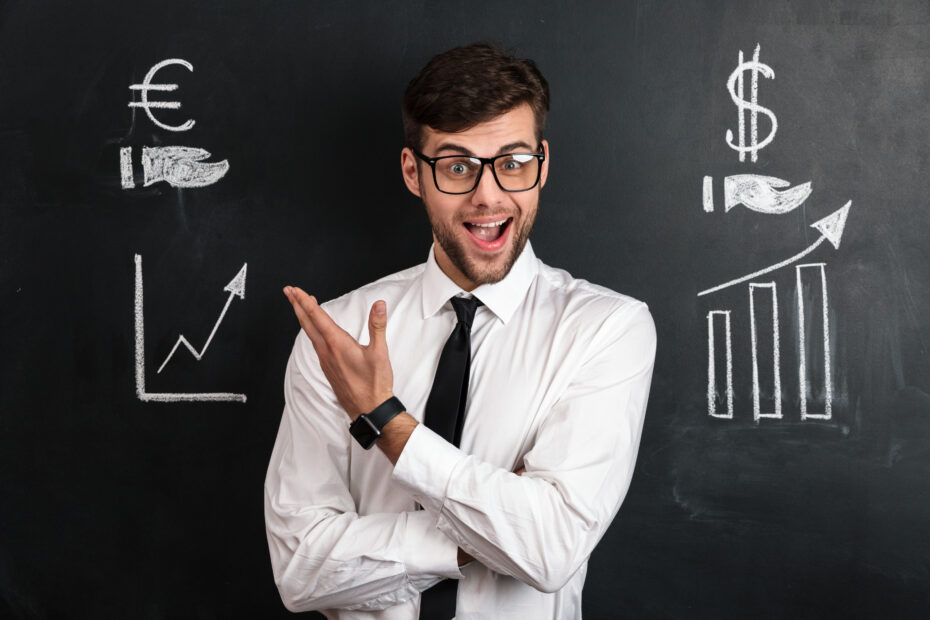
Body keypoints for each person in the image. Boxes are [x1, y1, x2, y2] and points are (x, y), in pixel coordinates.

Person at [264, 42, 656, 619]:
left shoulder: (606, 330)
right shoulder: (337, 338)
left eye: (513, 162)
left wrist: (387, 423)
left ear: (542, 165)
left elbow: (550, 551)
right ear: (412, 173)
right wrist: (492, 531)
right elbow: (301, 570)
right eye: (457, 166)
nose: (489, 195)